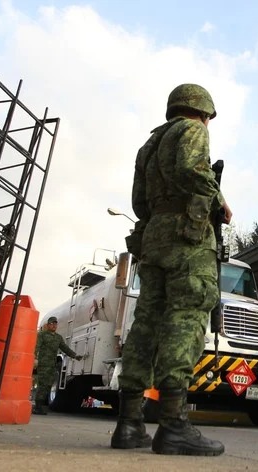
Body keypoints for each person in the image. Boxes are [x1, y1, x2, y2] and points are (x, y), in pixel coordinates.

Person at [111, 83, 231, 456]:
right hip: (187, 238)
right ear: (204, 112)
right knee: (186, 316)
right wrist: (220, 202)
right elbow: (192, 169)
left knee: (147, 322)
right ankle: (174, 426)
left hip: (154, 238)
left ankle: (129, 425)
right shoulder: (192, 129)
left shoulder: (148, 147)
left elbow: (138, 201)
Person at [33, 316, 83, 415]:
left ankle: (41, 405)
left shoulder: (58, 338)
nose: (54, 326)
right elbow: (36, 346)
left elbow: (65, 348)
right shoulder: (42, 335)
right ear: (48, 325)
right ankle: (37, 406)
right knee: (42, 385)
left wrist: (75, 356)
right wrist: (34, 358)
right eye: (52, 324)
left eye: (55, 324)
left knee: (48, 385)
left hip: (52, 364)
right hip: (43, 363)